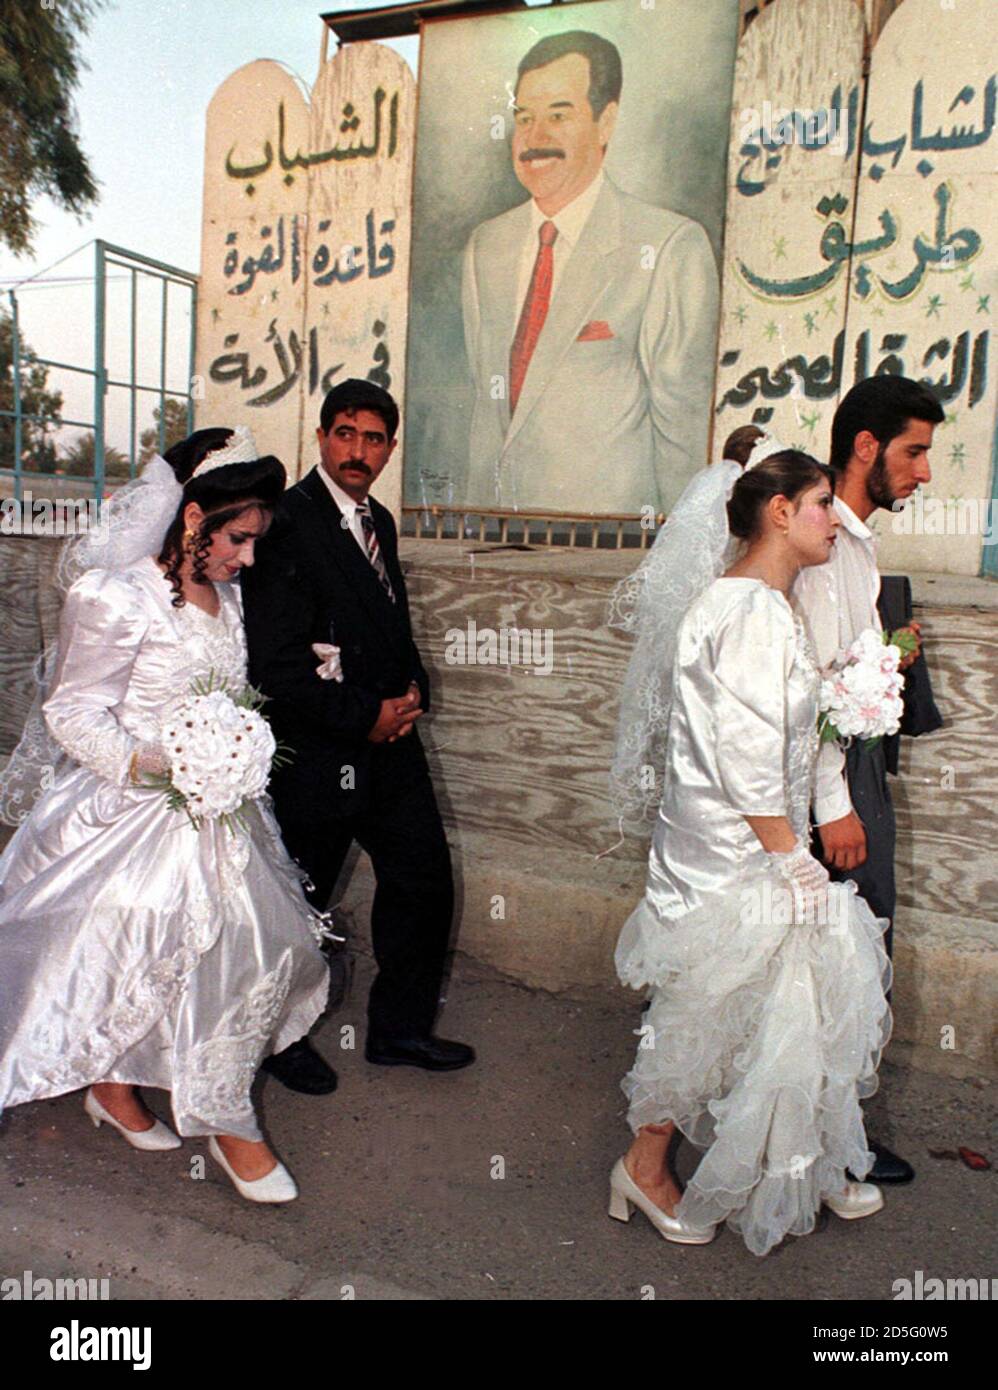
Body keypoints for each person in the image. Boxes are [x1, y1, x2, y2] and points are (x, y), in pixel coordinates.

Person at [0, 427, 331, 1204]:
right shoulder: (112, 596)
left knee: (245, 956)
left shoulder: (230, 599)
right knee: (135, 961)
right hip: (127, 810)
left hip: (222, 814)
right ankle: (219, 1123)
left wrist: (234, 750)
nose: (248, 557)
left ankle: (140, 1092)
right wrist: (163, 765)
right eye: (238, 539)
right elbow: (73, 714)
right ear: (192, 519)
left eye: (256, 541)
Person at [608, 442, 892, 1256]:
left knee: (788, 1000)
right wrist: (789, 856)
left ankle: (808, 1161)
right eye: (821, 504)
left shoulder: (760, 602)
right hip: (734, 848)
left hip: (749, 839)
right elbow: (742, 750)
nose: (833, 520)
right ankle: (643, 1166)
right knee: (707, 1005)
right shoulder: (752, 612)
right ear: (779, 512)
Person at [241, 379, 473, 1089]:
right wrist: (362, 716)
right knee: (299, 900)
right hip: (318, 751)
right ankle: (276, 1040)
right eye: (345, 434)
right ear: (321, 438)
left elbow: (387, 622)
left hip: (390, 748)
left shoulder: (378, 520)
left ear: (389, 449)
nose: (358, 451)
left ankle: (399, 1032)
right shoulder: (286, 523)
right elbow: (276, 666)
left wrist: (413, 690)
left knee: (424, 879)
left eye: (373, 439)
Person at [461, 29, 718, 515]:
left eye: (559, 115)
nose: (535, 138)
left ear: (606, 123)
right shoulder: (486, 246)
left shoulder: (668, 246)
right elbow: (487, 412)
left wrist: (677, 544)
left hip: (607, 541)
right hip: (497, 538)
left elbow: (681, 435)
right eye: (524, 118)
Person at [794, 375, 944, 1186]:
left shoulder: (857, 539)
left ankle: (833, 1130)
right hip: (835, 774)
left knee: (856, 950)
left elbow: (846, 661)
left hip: (856, 763)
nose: (925, 472)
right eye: (914, 451)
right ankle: (821, 1141)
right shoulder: (823, 542)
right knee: (843, 953)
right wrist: (836, 806)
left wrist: (889, 651)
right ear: (865, 446)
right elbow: (812, 686)